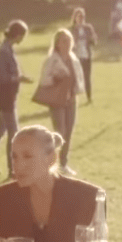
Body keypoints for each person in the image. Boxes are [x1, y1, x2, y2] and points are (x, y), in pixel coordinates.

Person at [0, 20, 31, 176]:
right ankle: (13, 169)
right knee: (14, 134)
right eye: (22, 35)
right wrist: (19, 78)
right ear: (17, 35)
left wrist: (18, 77)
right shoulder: (3, 52)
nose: (22, 39)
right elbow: (2, 77)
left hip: (8, 96)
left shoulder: (8, 49)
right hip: (5, 98)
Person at [34, 28, 84, 176]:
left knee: (68, 132)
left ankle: (64, 163)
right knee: (59, 132)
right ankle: (50, 162)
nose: (67, 44)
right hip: (57, 99)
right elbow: (44, 80)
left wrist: (77, 89)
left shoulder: (74, 59)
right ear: (57, 44)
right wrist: (55, 77)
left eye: (69, 40)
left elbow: (79, 78)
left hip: (72, 99)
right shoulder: (52, 60)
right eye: (64, 41)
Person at [69, 7, 98, 104]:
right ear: (75, 17)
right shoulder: (72, 29)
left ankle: (89, 97)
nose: (81, 18)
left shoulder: (88, 28)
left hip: (86, 55)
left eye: (82, 16)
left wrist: (91, 39)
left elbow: (94, 41)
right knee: (74, 77)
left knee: (87, 77)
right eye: (79, 16)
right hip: (75, 57)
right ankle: (72, 98)